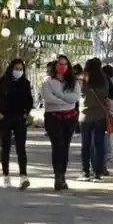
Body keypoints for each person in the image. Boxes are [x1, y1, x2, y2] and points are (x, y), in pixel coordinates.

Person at [0, 58, 34, 190]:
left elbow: (29, 100)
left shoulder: (25, 83)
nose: (18, 72)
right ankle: (6, 176)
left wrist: (27, 113)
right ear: (11, 69)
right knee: (6, 147)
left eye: (21, 69)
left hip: (20, 118)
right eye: (16, 69)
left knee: (21, 148)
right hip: (5, 118)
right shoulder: (2, 82)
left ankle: (23, 176)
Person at [42, 55, 81, 190]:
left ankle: (62, 175)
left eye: (65, 64)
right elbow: (48, 98)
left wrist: (60, 96)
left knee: (65, 147)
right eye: (59, 64)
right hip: (53, 117)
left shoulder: (73, 81)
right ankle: (57, 176)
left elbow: (75, 97)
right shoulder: (48, 81)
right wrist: (65, 101)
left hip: (69, 118)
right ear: (55, 65)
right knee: (57, 146)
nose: (62, 67)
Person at [79, 58, 110, 181]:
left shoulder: (84, 79)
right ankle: (97, 172)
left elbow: (81, 93)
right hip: (100, 115)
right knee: (99, 144)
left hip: (85, 116)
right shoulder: (103, 79)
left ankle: (85, 171)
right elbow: (105, 94)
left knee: (85, 144)